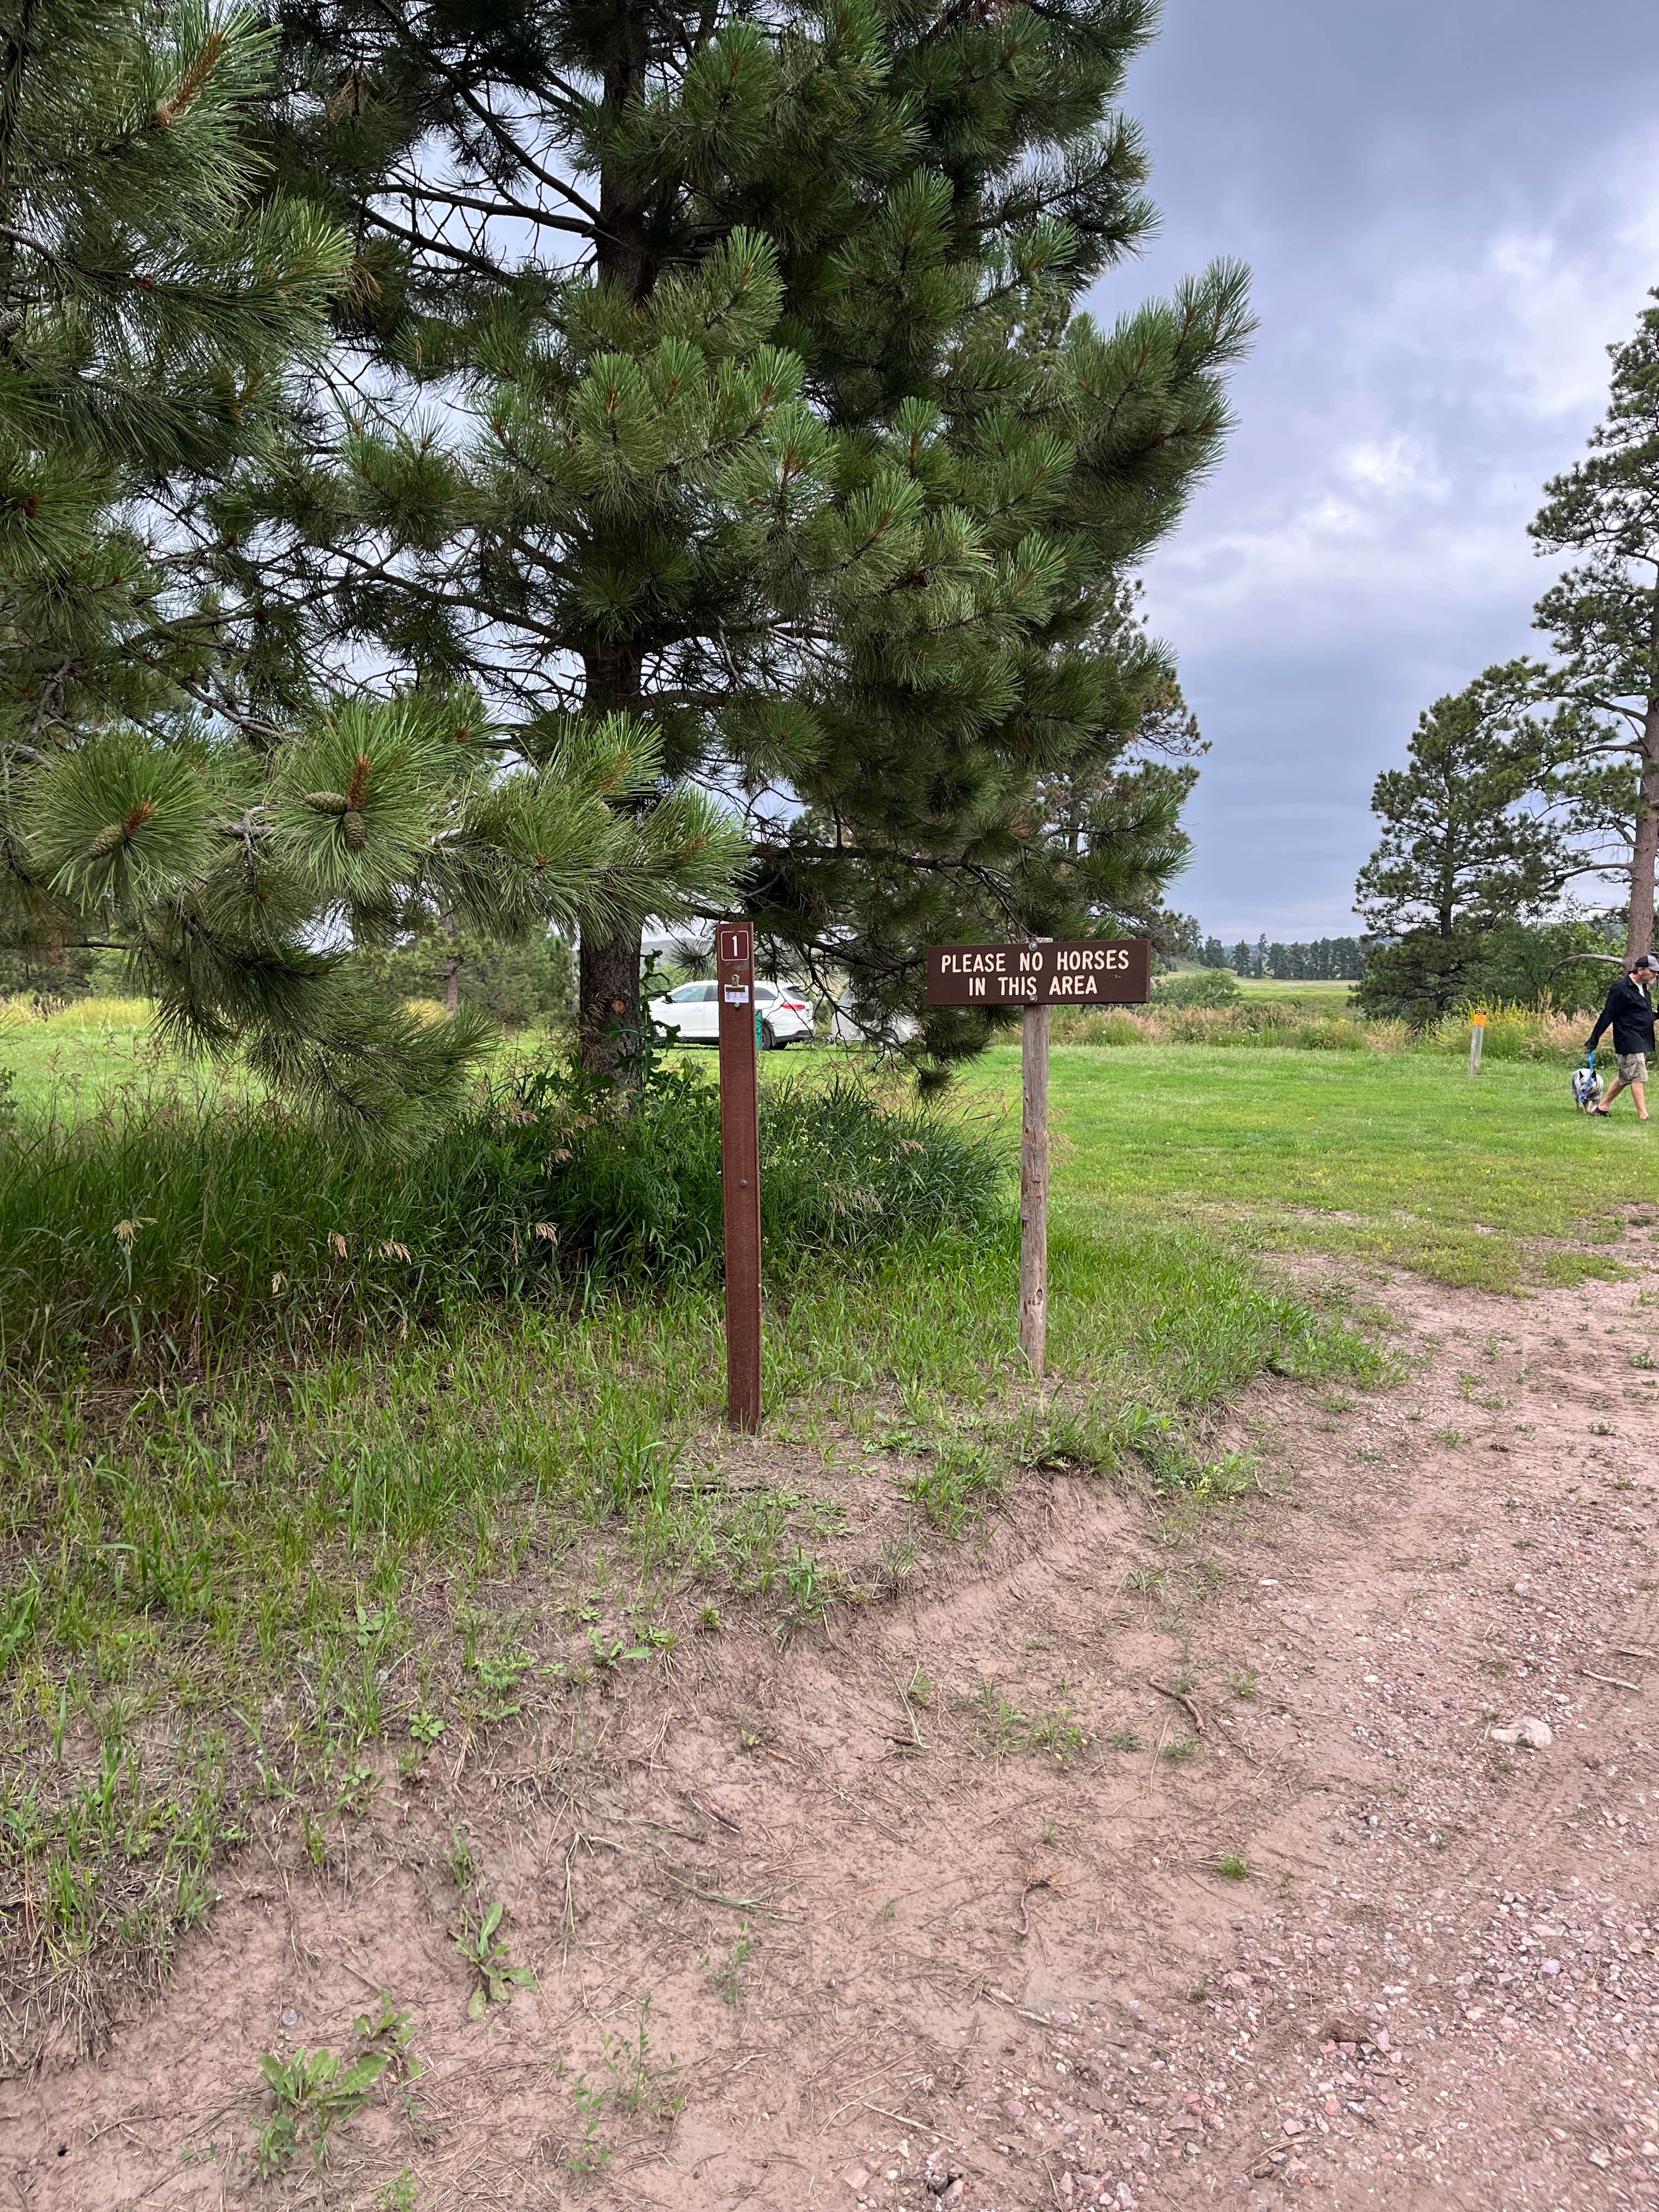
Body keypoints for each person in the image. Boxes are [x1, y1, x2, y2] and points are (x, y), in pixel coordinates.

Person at [1586, 951, 1658, 1121]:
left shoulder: (1644, 987)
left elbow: (1641, 1013)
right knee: (1638, 1075)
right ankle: (1644, 1116)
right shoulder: (1621, 988)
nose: (1656, 974)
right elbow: (1608, 1015)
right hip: (1628, 1038)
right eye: (1653, 971)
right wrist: (1594, 1039)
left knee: (1626, 1077)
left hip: (1642, 1037)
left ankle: (1602, 1108)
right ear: (1641, 970)